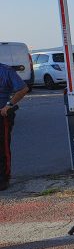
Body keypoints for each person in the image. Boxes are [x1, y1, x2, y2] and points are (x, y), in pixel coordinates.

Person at [0, 63, 28, 191]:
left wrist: (9, 105)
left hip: (2, 115)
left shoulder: (6, 71)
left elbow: (23, 89)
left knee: (2, 148)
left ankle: (3, 179)